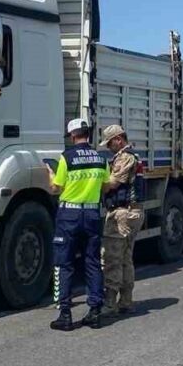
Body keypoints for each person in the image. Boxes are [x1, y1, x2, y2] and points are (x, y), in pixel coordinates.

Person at [47, 119, 108, 331]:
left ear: (72, 136)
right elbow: (107, 185)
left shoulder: (67, 158)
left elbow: (56, 188)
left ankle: (65, 313)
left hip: (69, 215)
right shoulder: (101, 158)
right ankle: (95, 311)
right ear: (88, 134)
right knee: (92, 262)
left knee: (64, 264)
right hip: (92, 213)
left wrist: (51, 176)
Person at [100, 123, 143, 316]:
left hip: (122, 213)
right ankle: (126, 301)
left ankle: (110, 304)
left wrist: (93, 179)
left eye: (109, 144)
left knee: (112, 258)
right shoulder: (131, 156)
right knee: (126, 258)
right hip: (131, 212)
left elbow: (111, 184)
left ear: (119, 139)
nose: (109, 148)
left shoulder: (125, 158)